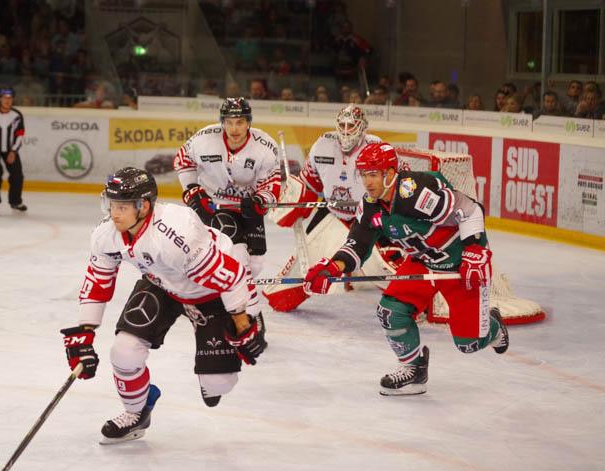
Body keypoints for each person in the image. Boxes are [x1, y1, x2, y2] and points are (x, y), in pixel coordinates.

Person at [61, 167, 265, 443]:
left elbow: (232, 275)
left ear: (143, 206)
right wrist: (85, 332)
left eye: (122, 207)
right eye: (112, 204)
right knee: (124, 352)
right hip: (162, 284)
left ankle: (216, 365)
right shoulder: (106, 234)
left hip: (211, 294)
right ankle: (137, 412)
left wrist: (244, 320)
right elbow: (99, 279)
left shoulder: (177, 235)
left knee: (218, 384)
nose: (114, 214)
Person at [303, 142, 509, 395]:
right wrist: (333, 268)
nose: (367, 182)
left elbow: (470, 209)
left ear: (390, 173)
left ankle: (494, 327)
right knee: (391, 312)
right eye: (364, 174)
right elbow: (358, 243)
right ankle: (414, 370)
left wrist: (475, 248)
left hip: (458, 266)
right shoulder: (370, 205)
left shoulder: (415, 193)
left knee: (470, 344)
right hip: (422, 263)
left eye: (373, 174)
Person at [263, 104, 392, 312]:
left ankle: (410, 298)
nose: (346, 130)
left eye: (352, 125)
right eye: (343, 124)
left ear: (363, 127)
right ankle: (351, 273)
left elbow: (393, 184)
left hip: (368, 219)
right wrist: (294, 200)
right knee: (283, 294)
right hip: (333, 214)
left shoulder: (377, 146)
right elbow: (308, 182)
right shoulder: (323, 144)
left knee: (390, 272)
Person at [173, 97, 281, 328]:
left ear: (248, 122)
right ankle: (250, 316)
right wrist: (192, 190)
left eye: (239, 122)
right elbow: (182, 160)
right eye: (229, 122)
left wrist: (261, 200)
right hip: (214, 206)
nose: (234, 129)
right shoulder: (204, 139)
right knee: (238, 256)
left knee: (255, 264)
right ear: (222, 122)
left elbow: (272, 184)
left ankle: (225, 295)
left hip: (247, 207)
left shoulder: (265, 146)